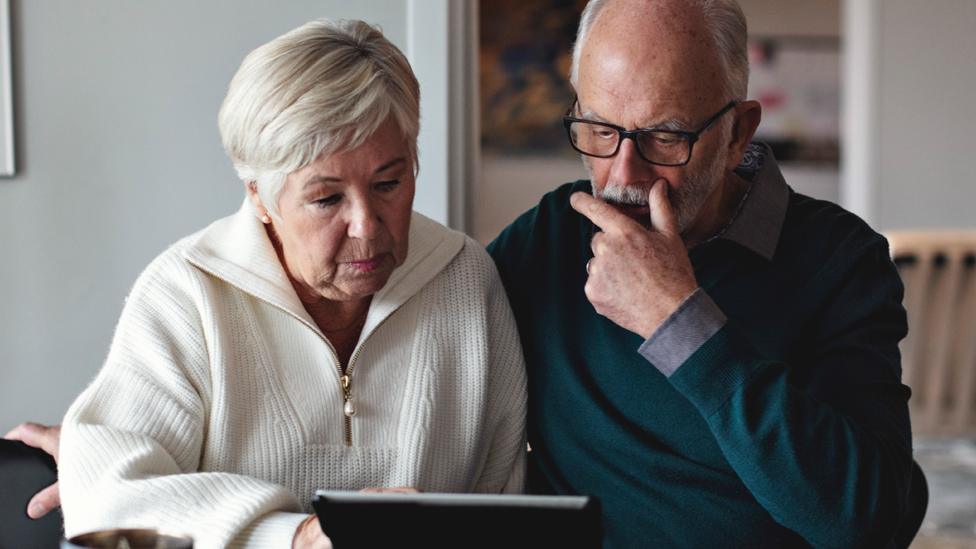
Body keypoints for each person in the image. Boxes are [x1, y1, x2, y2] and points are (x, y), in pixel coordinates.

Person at [6, 19, 526, 549]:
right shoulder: (188, 293)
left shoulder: (465, 276)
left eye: (389, 183)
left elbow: (507, 498)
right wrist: (297, 537)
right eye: (326, 199)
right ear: (259, 196)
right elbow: (114, 500)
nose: (367, 225)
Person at [487, 0, 916, 547]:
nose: (622, 175)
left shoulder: (841, 259)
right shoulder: (548, 238)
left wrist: (678, 320)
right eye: (598, 129)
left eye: (665, 137)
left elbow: (863, 522)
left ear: (738, 133)